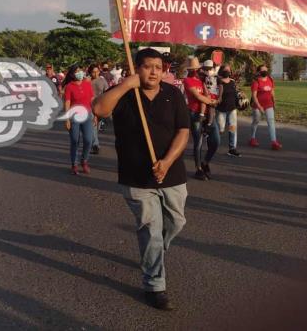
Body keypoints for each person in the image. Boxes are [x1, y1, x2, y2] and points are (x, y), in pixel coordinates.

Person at [92, 48, 190, 311]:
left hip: (173, 175)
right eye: (147, 66)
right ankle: (155, 284)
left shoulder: (173, 94)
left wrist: (167, 161)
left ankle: (153, 252)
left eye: (159, 67)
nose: (154, 71)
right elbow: (99, 109)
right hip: (137, 178)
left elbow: (183, 130)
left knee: (176, 221)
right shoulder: (125, 95)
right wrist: (125, 85)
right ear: (137, 69)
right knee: (151, 231)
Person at [183, 56, 219, 180]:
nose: (196, 71)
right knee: (198, 142)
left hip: (208, 113)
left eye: (197, 69)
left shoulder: (202, 80)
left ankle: (205, 162)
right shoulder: (187, 80)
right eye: (193, 69)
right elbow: (197, 96)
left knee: (216, 141)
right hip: (195, 113)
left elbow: (207, 94)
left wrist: (211, 100)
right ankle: (198, 169)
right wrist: (211, 102)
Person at [62, 65, 94, 175]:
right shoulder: (69, 86)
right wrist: (67, 119)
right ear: (72, 74)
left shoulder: (87, 84)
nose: (79, 73)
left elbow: (91, 100)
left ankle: (84, 160)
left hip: (87, 115)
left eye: (80, 70)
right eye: (76, 71)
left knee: (89, 140)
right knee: (75, 141)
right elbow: (67, 102)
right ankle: (74, 164)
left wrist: (95, 115)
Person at [250, 64, 282, 150]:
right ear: (259, 72)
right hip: (257, 105)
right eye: (263, 70)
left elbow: (272, 92)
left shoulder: (270, 79)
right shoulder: (256, 81)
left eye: (266, 70)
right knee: (256, 121)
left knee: (271, 122)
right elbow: (254, 96)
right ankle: (252, 138)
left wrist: (274, 102)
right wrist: (259, 106)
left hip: (269, 104)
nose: (265, 71)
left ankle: (274, 142)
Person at [216, 63, 241, 157]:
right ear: (221, 71)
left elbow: (236, 93)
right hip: (221, 109)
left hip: (232, 109)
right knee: (220, 129)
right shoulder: (218, 82)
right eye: (225, 70)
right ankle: (213, 143)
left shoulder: (233, 81)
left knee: (232, 128)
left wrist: (238, 102)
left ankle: (232, 148)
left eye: (228, 70)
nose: (227, 71)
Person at [89, 64, 109, 154]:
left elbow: (107, 92)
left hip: (100, 106)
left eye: (97, 71)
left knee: (97, 126)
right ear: (90, 72)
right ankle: (95, 144)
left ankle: (94, 141)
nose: (95, 73)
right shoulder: (87, 81)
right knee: (93, 124)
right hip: (90, 106)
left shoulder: (102, 80)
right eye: (93, 71)